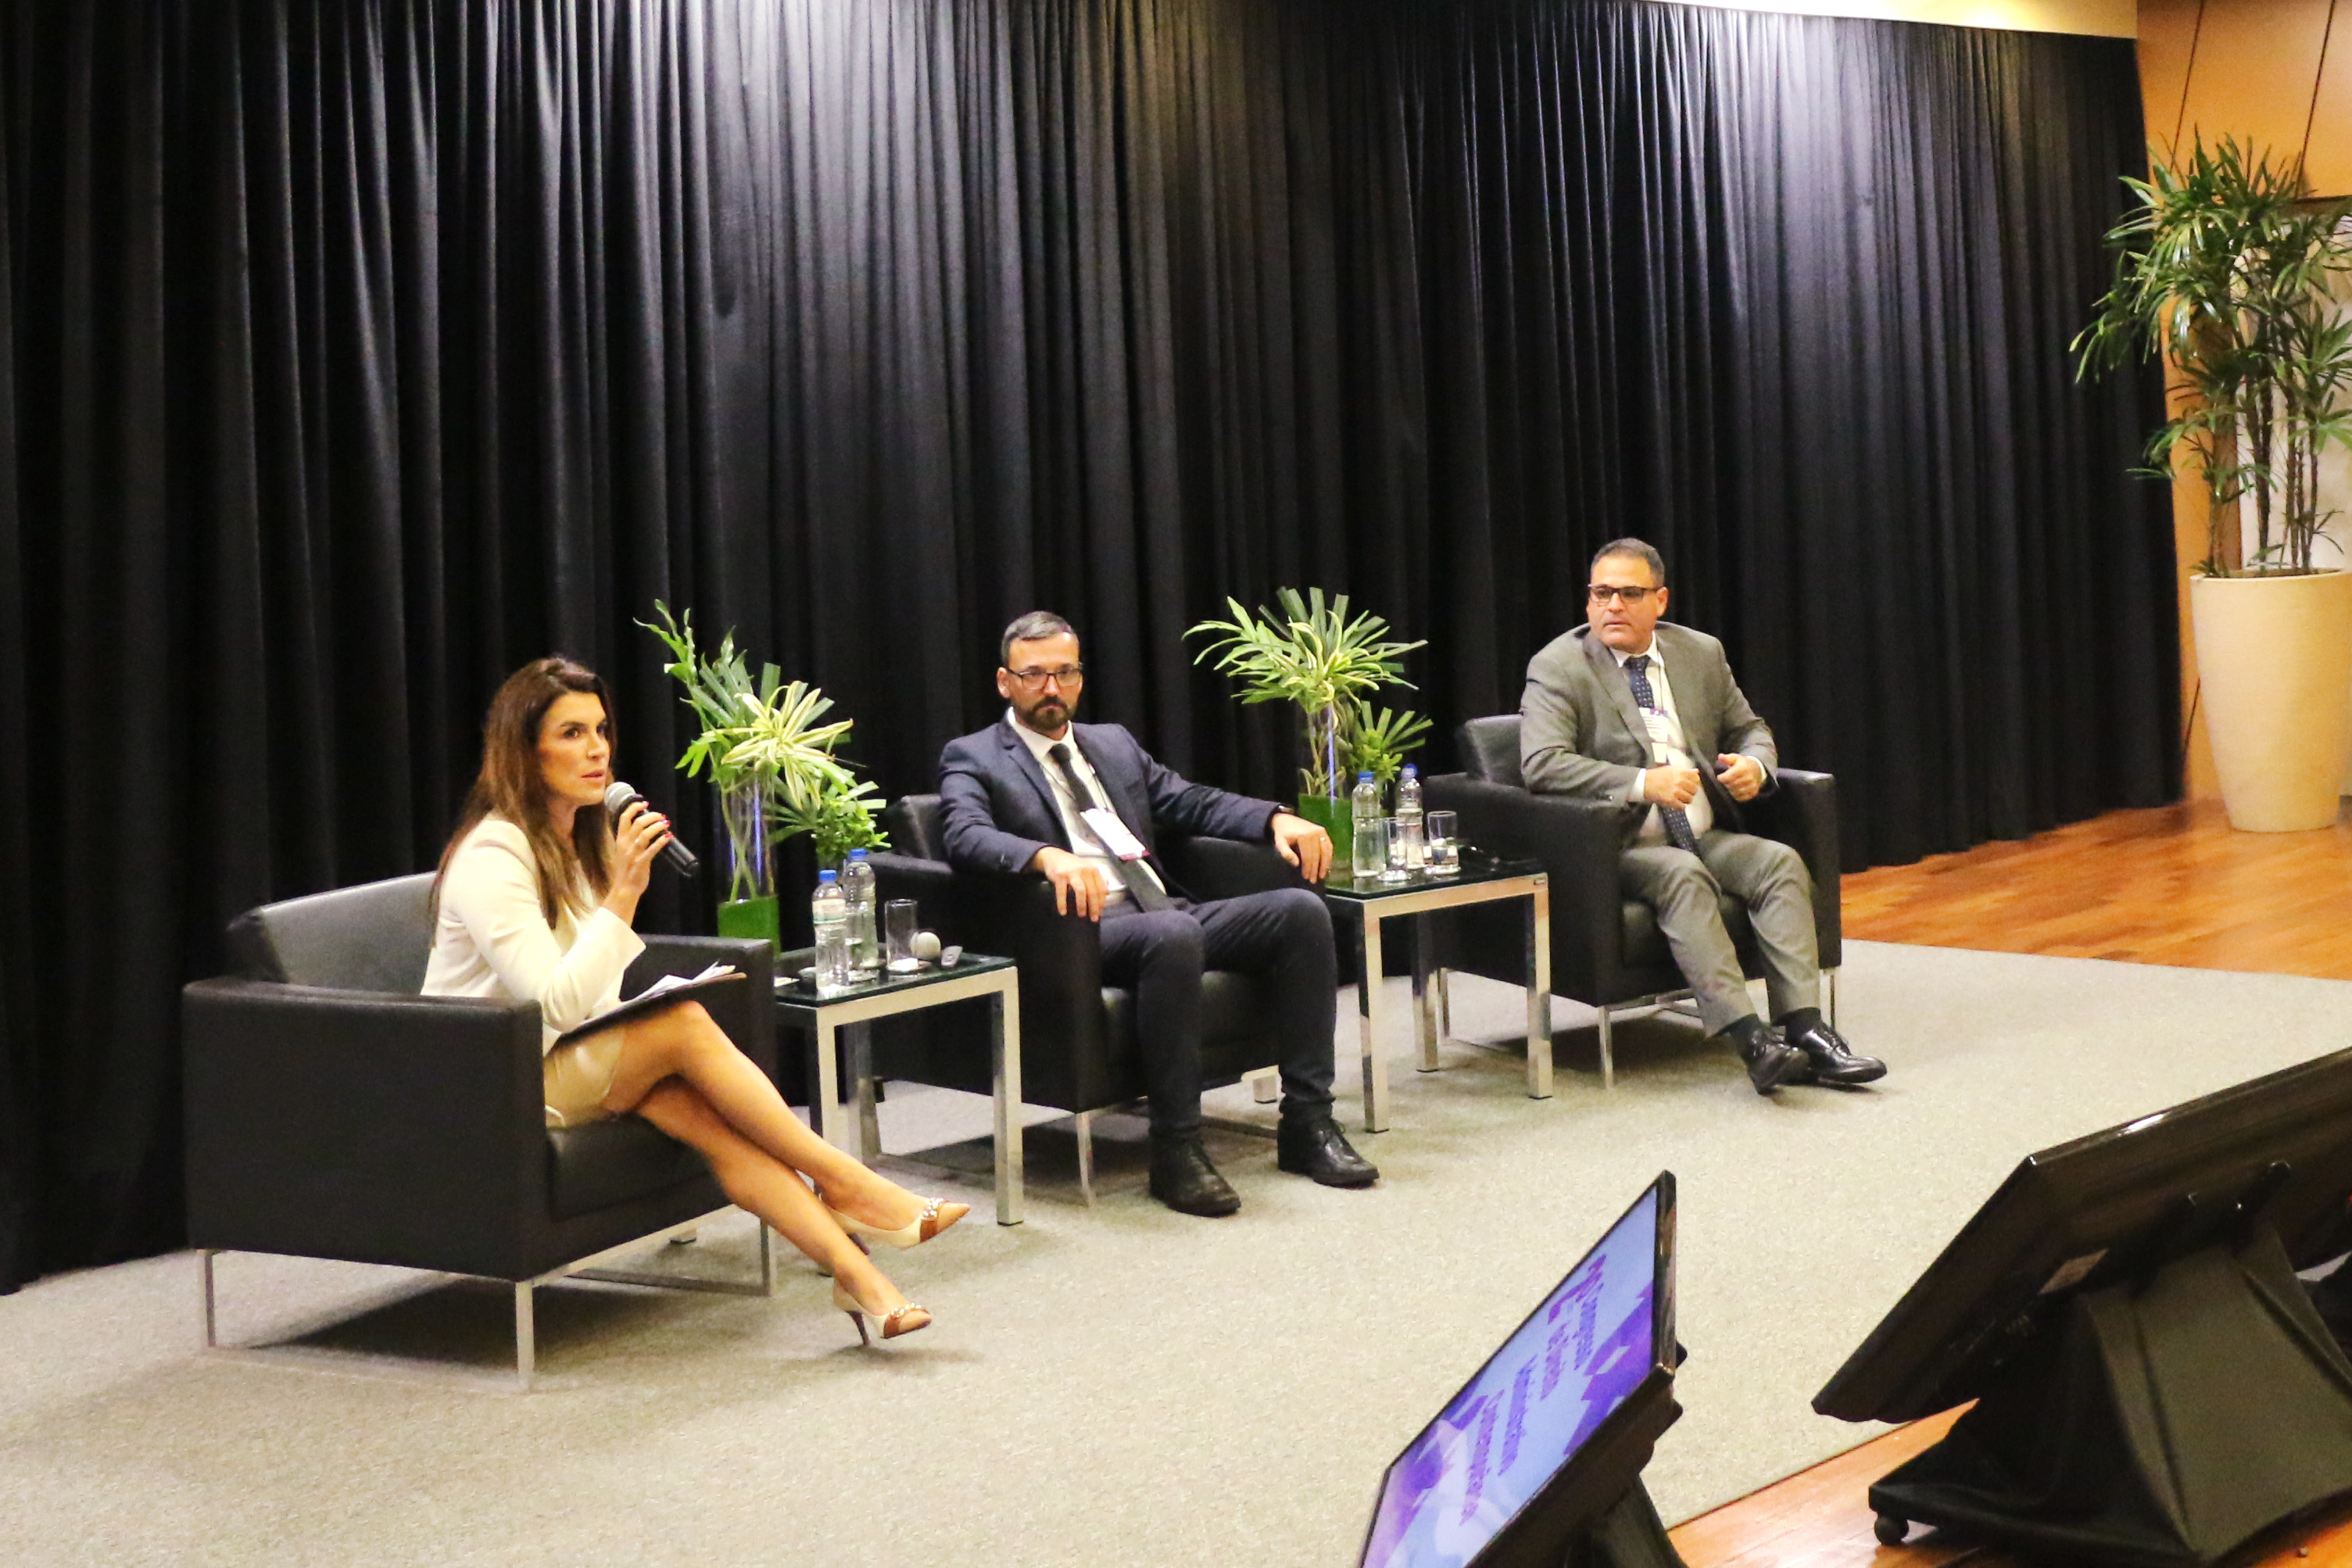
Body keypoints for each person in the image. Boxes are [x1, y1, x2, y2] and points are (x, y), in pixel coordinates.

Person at [422, 656, 965, 1344]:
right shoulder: (494, 854)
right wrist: (623, 895)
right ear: (522, 752)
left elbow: (589, 996)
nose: (596, 750)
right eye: (570, 734)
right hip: (491, 1080)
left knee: (707, 1117)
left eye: (600, 730)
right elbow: (555, 1003)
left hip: (558, 1056)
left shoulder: (577, 838)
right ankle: (852, 1184)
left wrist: (622, 943)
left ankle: (861, 1280)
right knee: (681, 1022)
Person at [937, 611, 1377, 1216]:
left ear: (1079, 678)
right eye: (1034, 675)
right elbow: (963, 835)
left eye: (1064, 673)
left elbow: (1189, 801)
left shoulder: (1111, 744)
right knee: (1171, 933)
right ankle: (1175, 1150)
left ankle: (1307, 1124)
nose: (1050, 689)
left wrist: (1274, 817)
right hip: (1074, 932)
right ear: (1004, 681)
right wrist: (1044, 858)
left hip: (1160, 910)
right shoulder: (975, 756)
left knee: (1299, 912)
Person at [1520, 539, 1885, 1094]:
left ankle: (1806, 1031)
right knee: (1680, 875)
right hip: (1617, 847)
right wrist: (1642, 783)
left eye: (1628, 593)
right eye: (1600, 594)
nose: (1611, 606)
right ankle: (1752, 1041)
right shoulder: (1560, 666)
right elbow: (1541, 764)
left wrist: (1755, 767)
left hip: (1703, 830)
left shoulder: (1699, 653)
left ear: (1659, 600)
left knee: (1778, 863)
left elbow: (1748, 728)